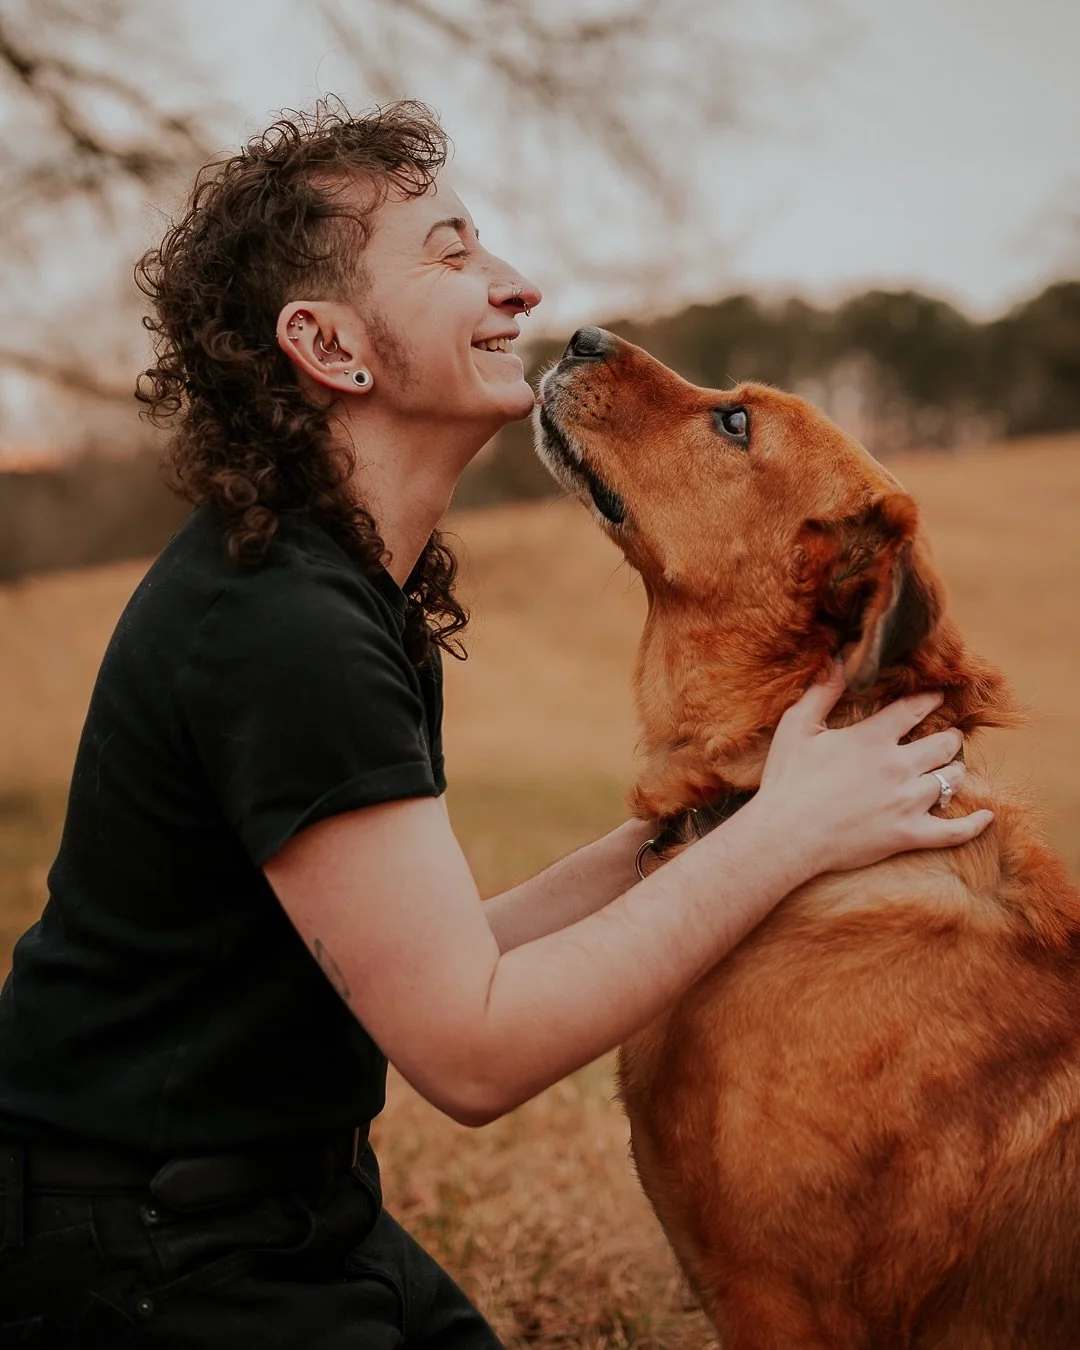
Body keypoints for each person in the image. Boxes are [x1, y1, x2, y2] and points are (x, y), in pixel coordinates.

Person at [0, 100, 990, 1348]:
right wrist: (778, 839)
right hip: (139, 1261)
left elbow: (435, 954)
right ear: (330, 345)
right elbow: (469, 1051)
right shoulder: (280, 631)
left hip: (297, 1218)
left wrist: (713, 823)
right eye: (451, 252)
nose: (516, 285)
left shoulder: (343, 587)